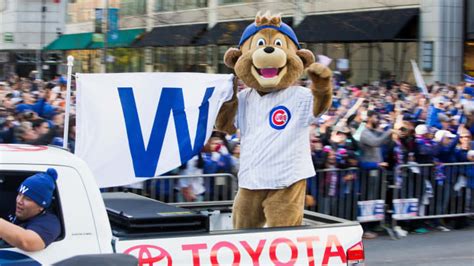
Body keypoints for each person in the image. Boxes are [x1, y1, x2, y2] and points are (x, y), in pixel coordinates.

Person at [0, 168, 61, 251]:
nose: (19, 201)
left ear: (41, 206)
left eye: (27, 198)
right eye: (19, 194)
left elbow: (27, 243)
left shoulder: (50, 223)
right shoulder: (14, 203)